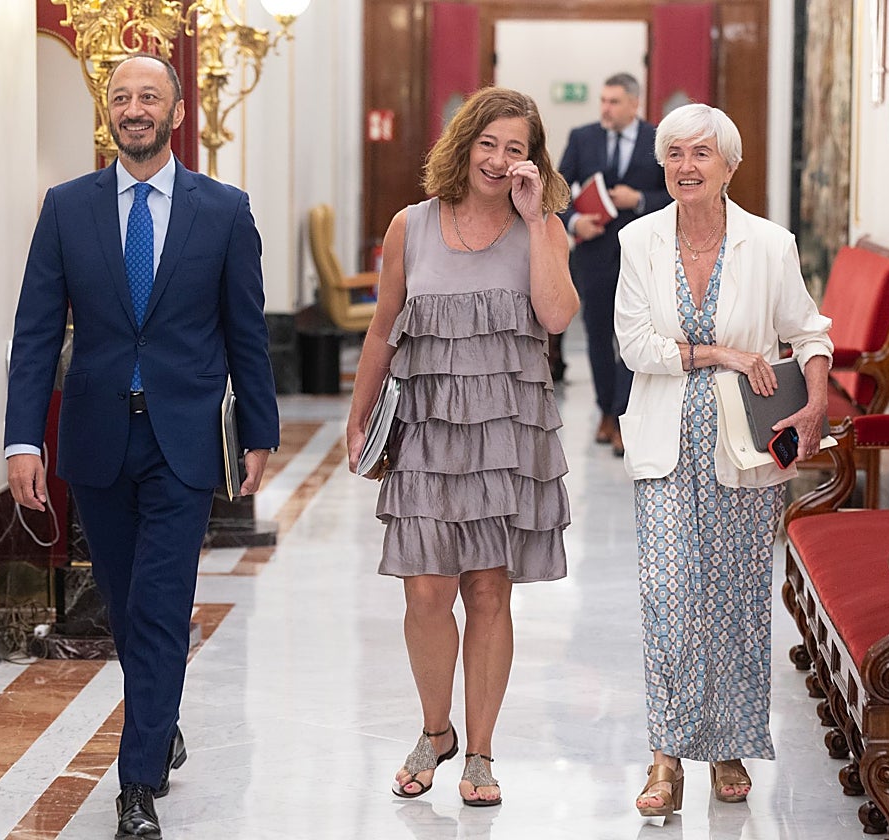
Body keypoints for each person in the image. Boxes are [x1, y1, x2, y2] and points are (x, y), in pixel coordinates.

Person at [4, 54, 279, 840]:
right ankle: (162, 723)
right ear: (108, 112)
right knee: (127, 608)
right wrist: (25, 437)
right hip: (94, 438)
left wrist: (258, 429)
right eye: (121, 97)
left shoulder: (224, 210)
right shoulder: (64, 208)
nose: (134, 108)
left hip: (183, 440)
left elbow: (246, 330)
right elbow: (34, 332)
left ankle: (135, 785)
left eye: (149, 96)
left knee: (159, 607)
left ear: (177, 111)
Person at [345, 86, 578, 807]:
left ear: (532, 162)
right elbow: (383, 329)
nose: (501, 159)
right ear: (463, 143)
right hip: (426, 428)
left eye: (517, 149)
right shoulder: (410, 226)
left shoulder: (543, 229)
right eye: (490, 143)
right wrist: (358, 420)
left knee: (487, 589)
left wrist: (538, 222)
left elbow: (557, 316)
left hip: (507, 434)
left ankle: (478, 752)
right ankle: (434, 730)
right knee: (424, 590)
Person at [613, 103, 832, 815]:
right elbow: (636, 346)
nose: (685, 166)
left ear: (730, 166)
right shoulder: (638, 241)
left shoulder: (770, 245)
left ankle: (731, 744)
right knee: (669, 596)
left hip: (746, 446)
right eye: (674, 153)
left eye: (701, 153)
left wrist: (817, 403)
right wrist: (723, 354)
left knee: (736, 599)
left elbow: (809, 332)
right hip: (664, 442)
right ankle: (666, 757)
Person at [557, 72, 672, 456]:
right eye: (603, 101)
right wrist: (575, 222)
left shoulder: (657, 139)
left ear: (635, 103)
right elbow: (556, 193)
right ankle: (605, 410)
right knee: (598, 337)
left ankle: (625, 416)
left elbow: (676, 197)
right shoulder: (582, 137)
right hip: (594, 256)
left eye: (614, 102)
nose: (606, 108)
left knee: (634, 339)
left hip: (644, 258)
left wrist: (638, 200)